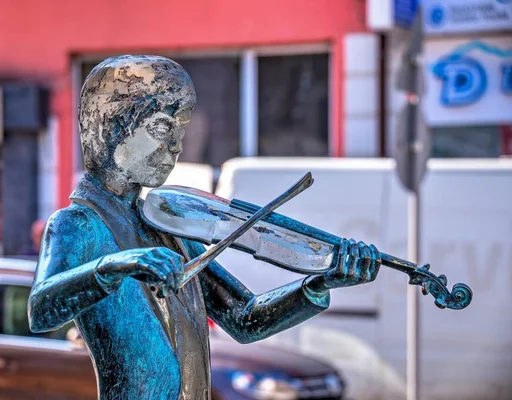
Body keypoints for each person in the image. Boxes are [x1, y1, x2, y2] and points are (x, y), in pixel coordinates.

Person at [27, 55, 381, 400]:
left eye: (181, 130)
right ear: (114, 127)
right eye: (162, 127)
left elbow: (244, 319)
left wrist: (318, 283)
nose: (177, 146)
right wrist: (115, 266)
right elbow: (41, 310)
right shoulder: (77, 225)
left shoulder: (167, 226)